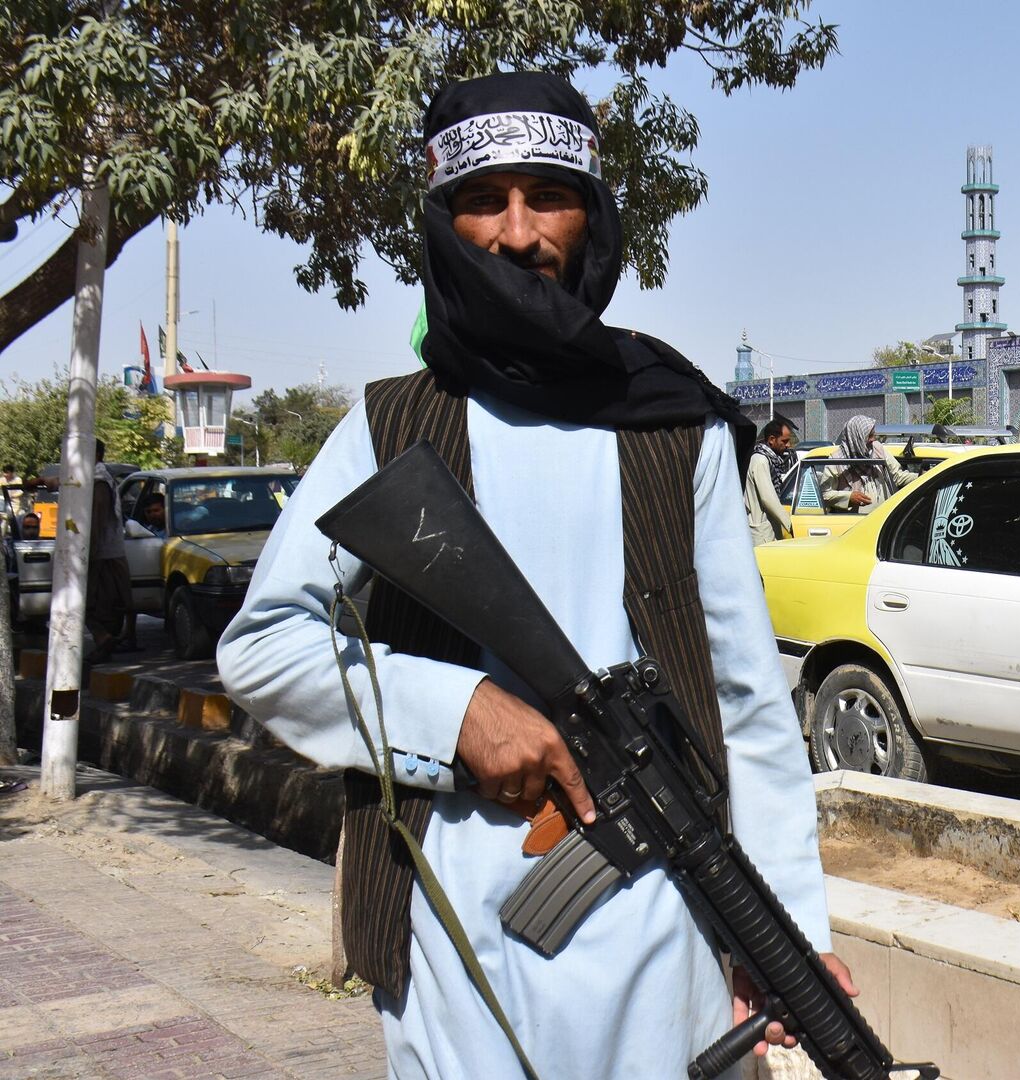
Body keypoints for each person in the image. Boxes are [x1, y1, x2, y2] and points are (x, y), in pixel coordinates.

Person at [217, 72, 847, 1079]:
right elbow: (264, 646)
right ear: (444, 224)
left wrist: (789, 935)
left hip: (660, 922)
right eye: (483, 201)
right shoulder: (389, 427)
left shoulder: (671, 423)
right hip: (447, 923)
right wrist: (457, 710)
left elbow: (747, 702)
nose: (518, 235)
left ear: (591, 219)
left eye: (546, 196)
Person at [85, 439, 131, 661]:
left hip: (103, 553)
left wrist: (89, 552)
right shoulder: (92, 476)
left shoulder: (100, 480)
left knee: (93, 604)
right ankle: (107, 641)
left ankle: (104, 639)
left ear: (96, 454)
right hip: (105, 552)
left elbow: (98, 518)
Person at [820, 414, 914, 513]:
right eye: (869, 436)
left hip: (884, 518)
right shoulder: (836, 460)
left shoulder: (877, 449)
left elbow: (898, 476)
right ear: (857, 437)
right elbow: (824, 494)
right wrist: (849, 498)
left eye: (873, 435)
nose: (873, 439)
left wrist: (922, 476)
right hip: (852, 522)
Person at [744, 416, 796, 545]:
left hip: (769, 527)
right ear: (772, 439)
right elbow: (768, 498)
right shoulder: (760, 460)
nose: (788, 445)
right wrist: (790, 524)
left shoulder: (769, 460)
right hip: (761, 532)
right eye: (784, 441)